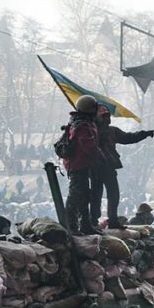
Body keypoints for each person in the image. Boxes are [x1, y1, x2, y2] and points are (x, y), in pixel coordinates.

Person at [90, 105, 154, 229]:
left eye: (107, 116)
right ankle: (94, 220)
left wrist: (143, 134)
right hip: (96, 167)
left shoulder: (110, 131)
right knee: (97, 195)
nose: (107, 119)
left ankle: (110, 220)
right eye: (104, 116)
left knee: (111, 195)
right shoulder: (91, 131)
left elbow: (128, 137)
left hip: (106, 167)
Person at [60, 95, 103, 234]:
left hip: (81, 164)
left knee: (84, 196)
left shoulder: (80, 122)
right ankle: (71, 227)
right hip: (78, 165)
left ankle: (85, 225)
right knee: (76, 196)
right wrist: (101, 156)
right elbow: (88, 145)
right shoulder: (82, 125)